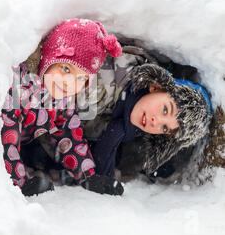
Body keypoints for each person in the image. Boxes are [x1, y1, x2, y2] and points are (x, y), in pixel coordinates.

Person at [20, 40, 212, 192]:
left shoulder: (128, 122)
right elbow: (53, 114)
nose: (156, 122)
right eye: (165, 110)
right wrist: (82, 169)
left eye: (164, 129)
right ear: (157, 86)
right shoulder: (106, 80)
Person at [0, 18, 124, 197]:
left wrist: (88, 176)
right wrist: (19, 181)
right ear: (49, 57)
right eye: (66, 69)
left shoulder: (62, 99)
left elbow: (69, 135)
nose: (69, 83)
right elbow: (6, 137)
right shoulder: (20, 86)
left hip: (26, 141)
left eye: (81, 78)